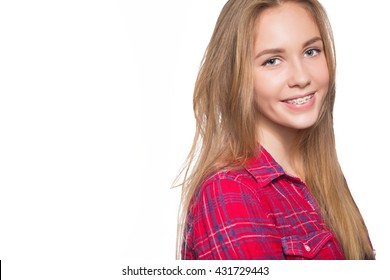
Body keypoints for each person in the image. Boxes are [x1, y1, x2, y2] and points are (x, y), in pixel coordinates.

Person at [175, 0, 375, 260]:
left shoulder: (319, 177)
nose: (301, 77)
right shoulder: (230, 191)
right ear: (237, 76)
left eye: (311, 51)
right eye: (272, 61)